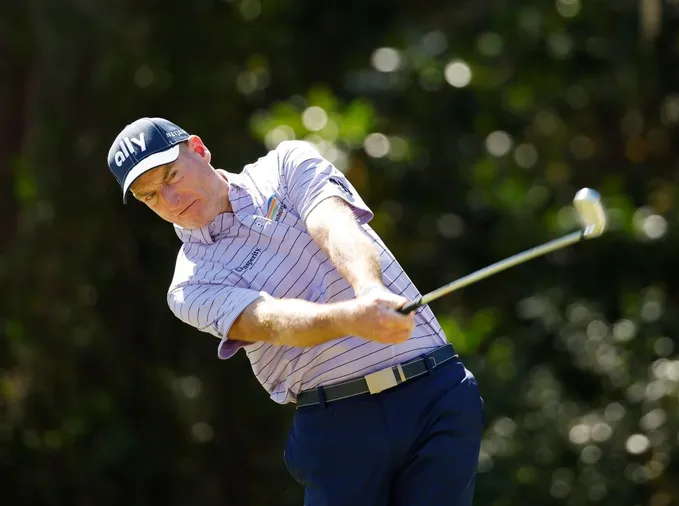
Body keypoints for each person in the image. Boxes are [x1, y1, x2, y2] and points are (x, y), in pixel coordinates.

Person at [106, 117, 485, 505]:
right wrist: (352, 318)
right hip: (340, 424)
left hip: (435, 391)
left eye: (171, 176)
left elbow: (333, 224)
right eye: (150, 196)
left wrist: (369, 290)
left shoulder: (285, 165)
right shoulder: (189, 285)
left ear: (199, 150)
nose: (171, 200)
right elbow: (268, 321)